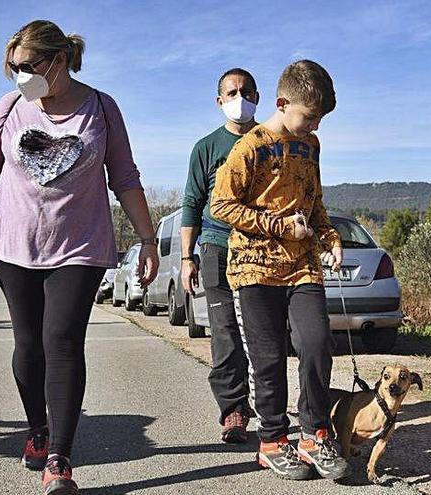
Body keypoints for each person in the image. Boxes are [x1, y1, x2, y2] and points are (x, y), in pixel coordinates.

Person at [0, 20, 158, 495]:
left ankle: (60, 458)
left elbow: (125, 177)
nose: (18, 76)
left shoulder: (101, 107)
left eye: (27, 66)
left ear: (59, 60)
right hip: (13, 246)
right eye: (12, 68)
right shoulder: (9, 107)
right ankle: (37, 428)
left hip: (80, 246)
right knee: (28, 345)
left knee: (62, 341)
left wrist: (148, 238)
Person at [210, 59, 350, 481]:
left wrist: (330, 238)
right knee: (268, 358)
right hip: (254, 268)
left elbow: (314, 200)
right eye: (309, 118)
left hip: (302, 266)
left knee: (316, 341)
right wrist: (276, 224)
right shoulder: (249, 148)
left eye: (320, 120)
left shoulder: (312, 145)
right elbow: (221, 206)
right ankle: (272, 440)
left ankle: (314, 433)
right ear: (282, 103)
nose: (315, 127)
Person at [180, 68, 259, 444]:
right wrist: (186, 257)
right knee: (225, 330)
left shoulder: (271, 140)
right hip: (216, 246)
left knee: (262, 331)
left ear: (258, 97)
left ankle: (269, 404)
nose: (239, 97)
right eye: (232, 92)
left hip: (263, 249)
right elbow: (191, 204)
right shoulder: (206, 147)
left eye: (245, 91)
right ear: (219, 101)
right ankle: (234, 410)